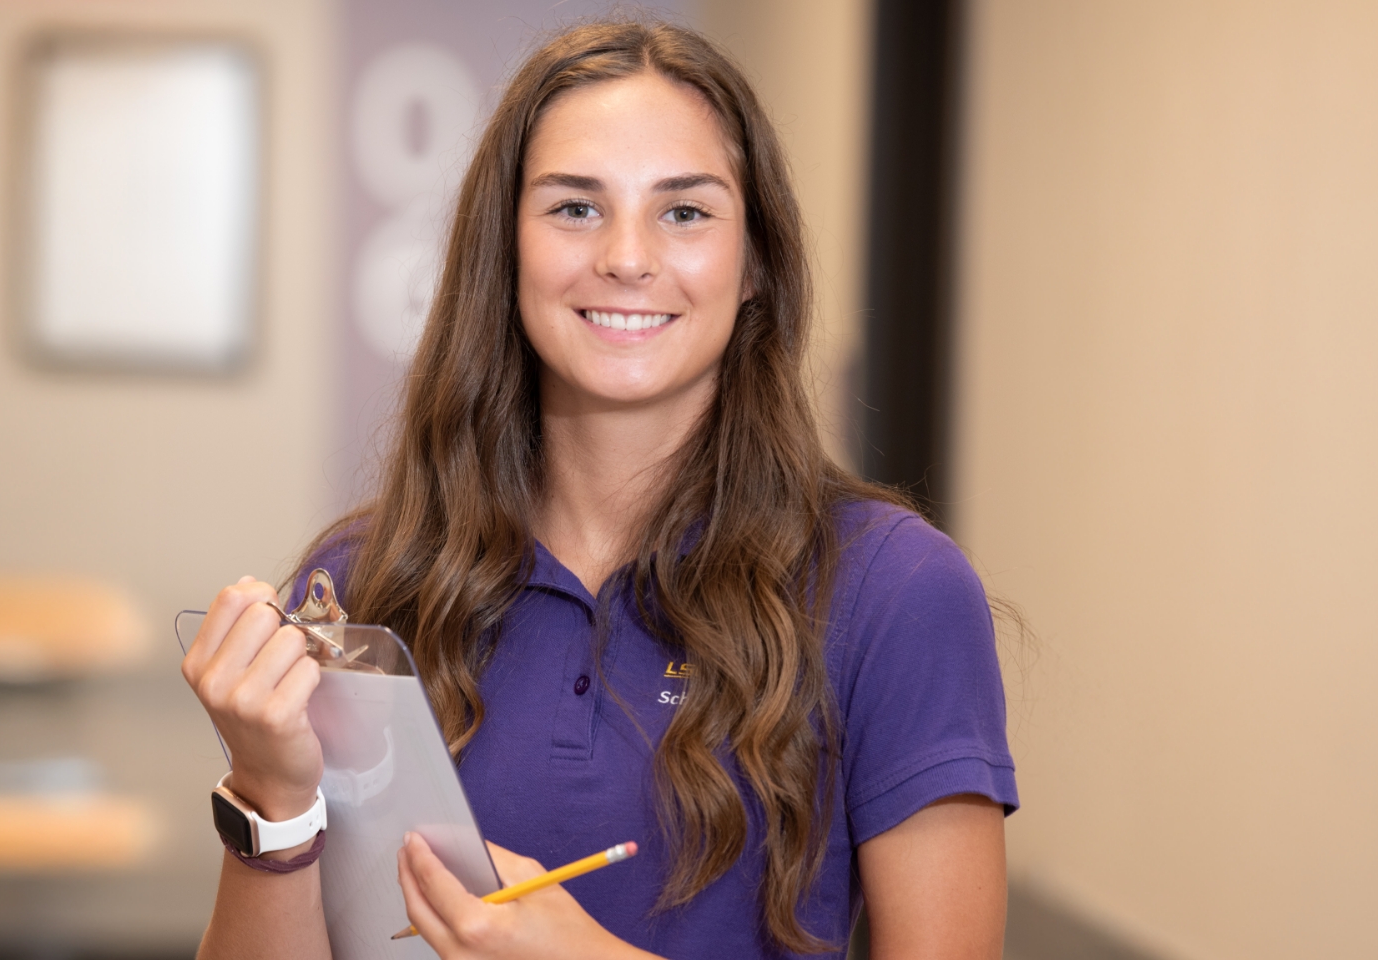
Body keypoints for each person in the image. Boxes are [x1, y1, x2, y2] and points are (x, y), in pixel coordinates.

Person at [181, 19, 1016, 960]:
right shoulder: (366, 584)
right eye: (575, 208)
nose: (626, 255)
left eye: (685, 212)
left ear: (757, 266)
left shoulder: (895, 590)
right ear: (508, 253)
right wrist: (273, 801)